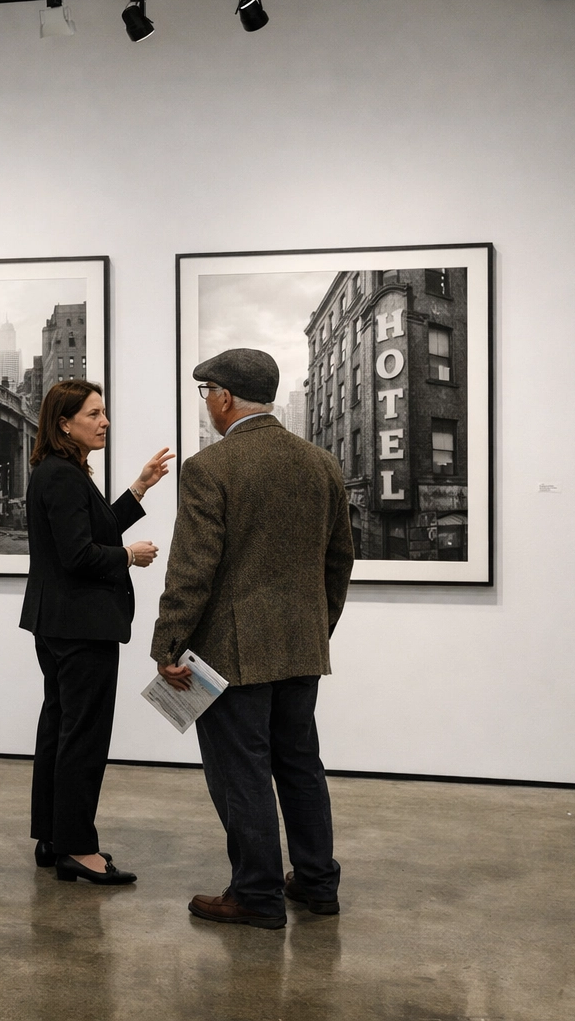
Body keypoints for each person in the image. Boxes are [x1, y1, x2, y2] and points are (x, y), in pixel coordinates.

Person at [151, 348, 354, 927]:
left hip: (230, 656)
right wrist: (319, 624)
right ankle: (317, 882)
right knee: (300, 766)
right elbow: (340, 559)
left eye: (206, 392)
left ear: (223, 397)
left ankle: (257, 894)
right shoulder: (320, 463)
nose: (207, 403)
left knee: (242, 773)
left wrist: (168, 645)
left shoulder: (212, 467)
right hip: (301, 648)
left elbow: (192, 569)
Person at [21, 379, 174, 885]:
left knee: (61, 728)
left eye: (104, 412)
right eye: (93, 414)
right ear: (65, 424)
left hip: (59, 622)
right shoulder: (63, 476)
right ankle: (78, 848)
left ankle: (52, 836)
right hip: (80, 624)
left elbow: (94, 528)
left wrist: (140, 487)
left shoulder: (57, 472)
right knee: (82, 736)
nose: (104, 421)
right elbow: (80, 555)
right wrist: (130, 556)